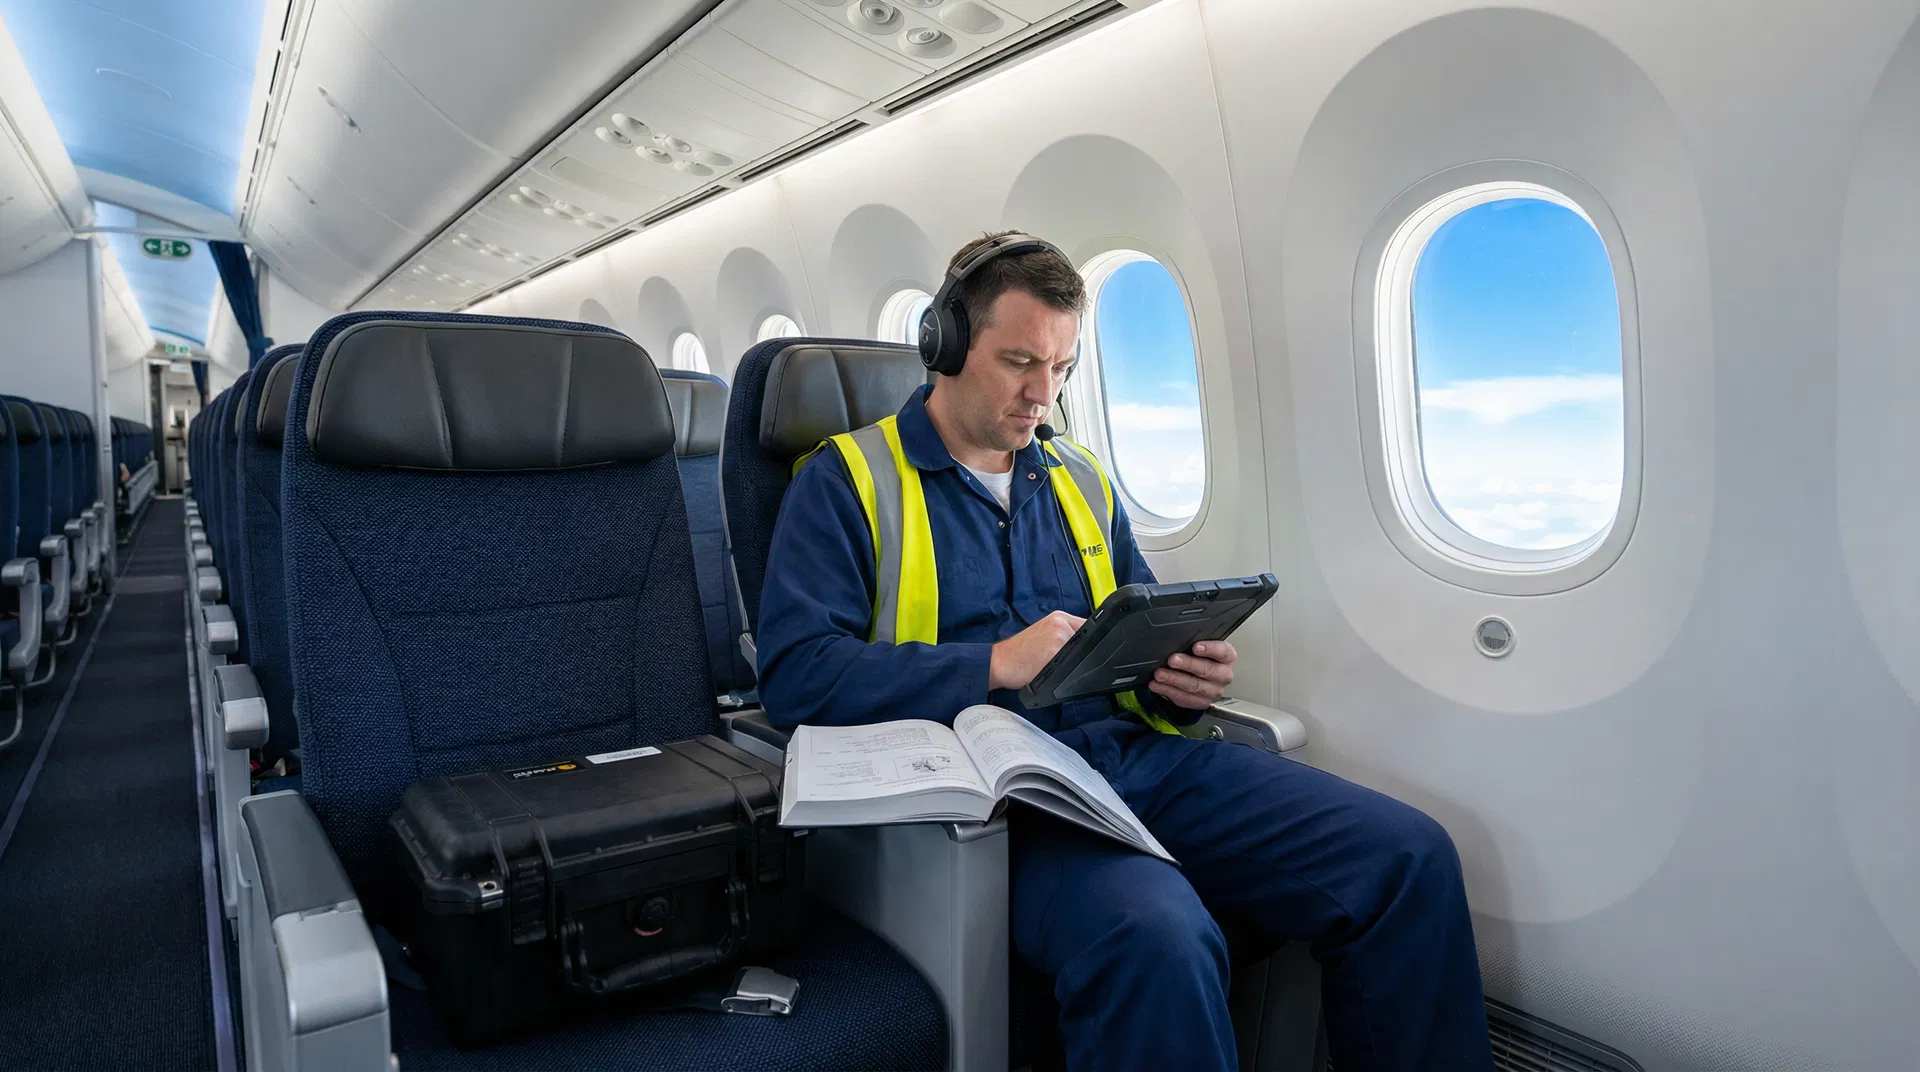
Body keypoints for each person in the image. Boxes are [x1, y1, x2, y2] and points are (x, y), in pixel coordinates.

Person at [756, 231, 1493, 1072]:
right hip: (987, 812)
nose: (1043, 394)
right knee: (1160, 937)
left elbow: (1125, 635)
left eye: (1063, 368)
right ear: (946, 345)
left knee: (1407, 856)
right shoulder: (844, 482)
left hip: (1128, 762)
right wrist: (992, 664)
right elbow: (794, 676)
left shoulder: (1079, 477)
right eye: (1019, 361)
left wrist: (1179, 679)